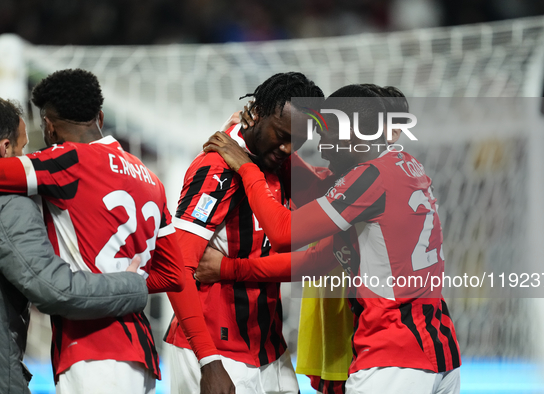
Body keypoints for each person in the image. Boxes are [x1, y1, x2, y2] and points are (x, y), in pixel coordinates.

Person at [200, 84, 461, 393]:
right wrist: (251, 136)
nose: (319, 142)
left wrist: (245, 165)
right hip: (440, 352)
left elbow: (284, 233)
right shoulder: (405, 167)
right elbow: (315, 232)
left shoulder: (369, 177)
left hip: (393, 356)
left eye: (326, 132)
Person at [0, 69, 185, 394]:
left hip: (92, 348)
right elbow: (174, 276)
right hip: (140, 350)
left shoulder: (63, 162)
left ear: (49, 125)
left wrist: (121, 283)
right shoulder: (151, 179)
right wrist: (131, 281)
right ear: (100, 115)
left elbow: (51, 287)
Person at [165, 72, 324, 394]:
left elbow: (320, 206)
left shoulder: (279, 164)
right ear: (258, 113)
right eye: (281, 134)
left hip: (269, 348)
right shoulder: (217, 168)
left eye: (299, 141)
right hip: (218, 352)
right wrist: (208, 363)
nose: (288, 147)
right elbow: (177, 268)